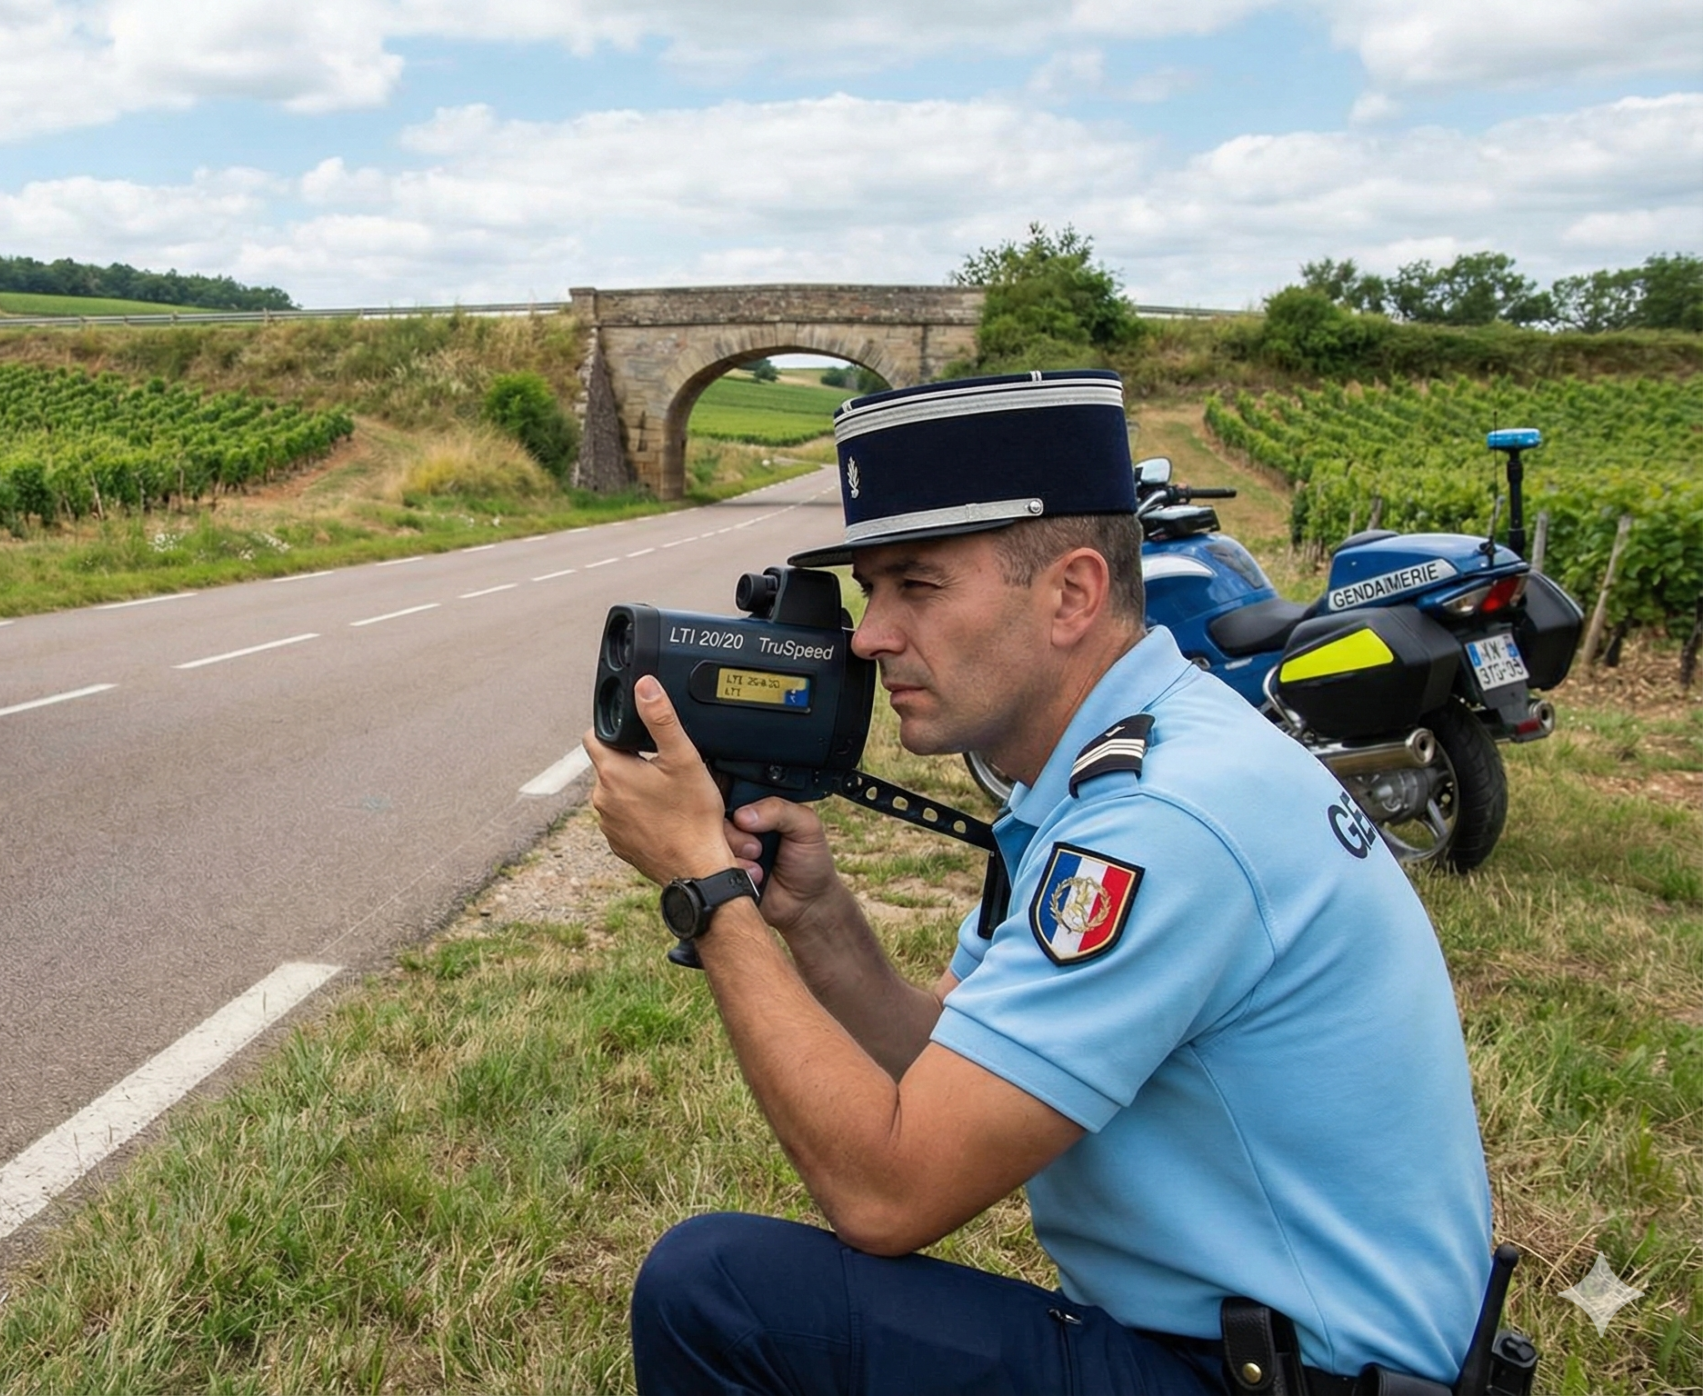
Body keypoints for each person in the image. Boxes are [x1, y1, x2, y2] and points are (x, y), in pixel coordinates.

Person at [584, 370, 1494, 1396]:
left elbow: (888, 1191)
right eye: (869, 589)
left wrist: (708, 891)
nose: (871, 634)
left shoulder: (1160, 820)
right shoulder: (1131, 762)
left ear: (1071, 593)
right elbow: (948, 1071)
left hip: (1286, 1379)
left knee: (714, 1288)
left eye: (913, 586)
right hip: (1270, 1358)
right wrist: (818, 923)